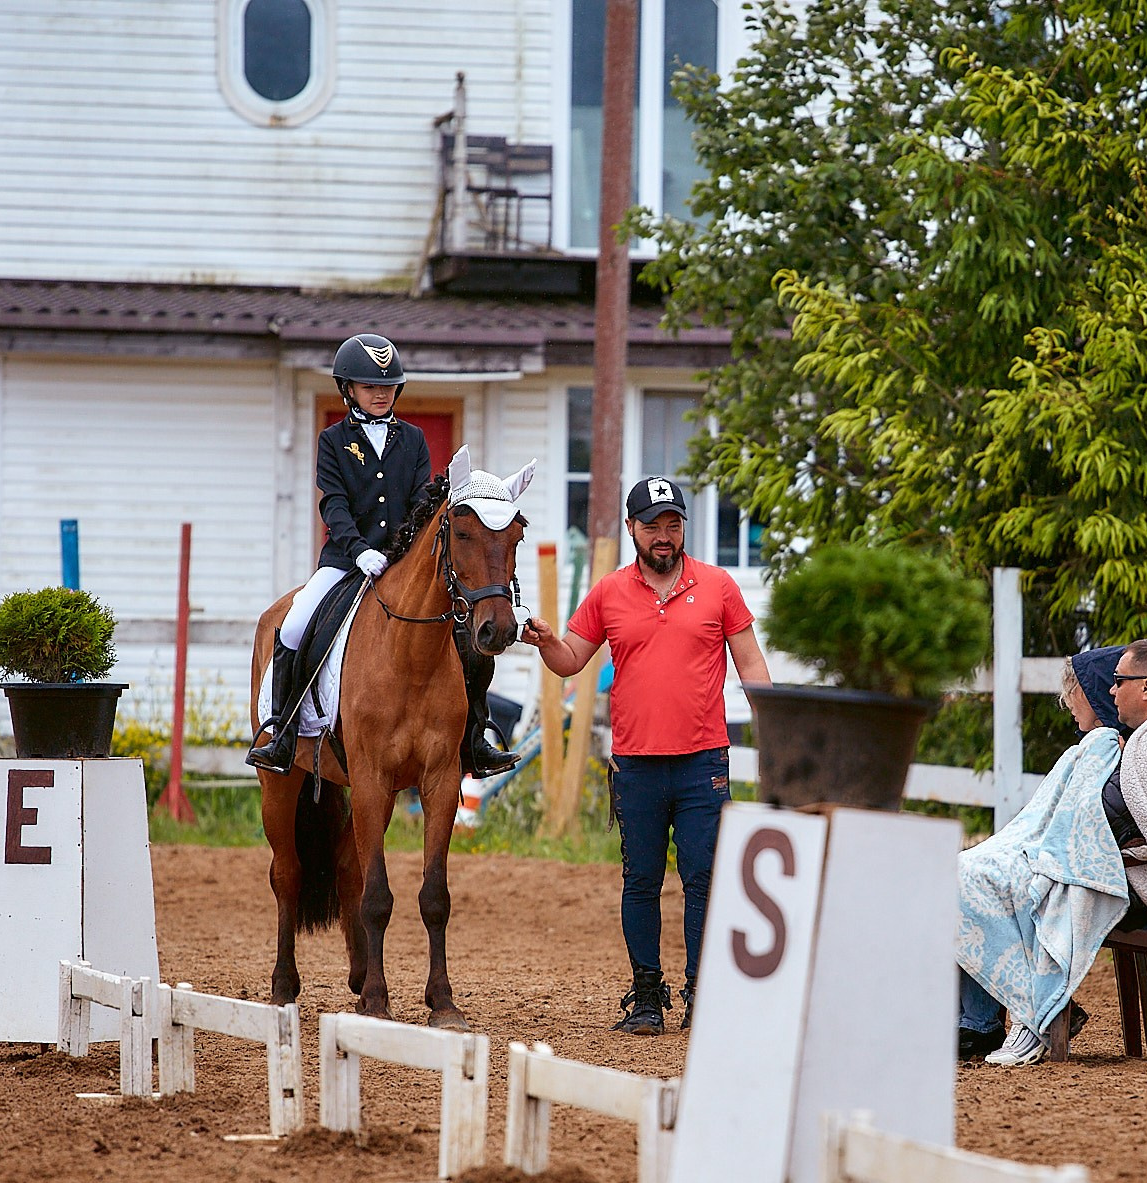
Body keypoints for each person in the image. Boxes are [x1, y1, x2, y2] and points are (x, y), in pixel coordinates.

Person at [520, 477, 772, 1036]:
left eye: (673, 524)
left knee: (705, 877)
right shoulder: (609, 592)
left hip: (703, 762)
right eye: (653, 525)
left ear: (684, 527)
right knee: (641, 881)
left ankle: (705, 991)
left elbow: (751, 664)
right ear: (632, 529)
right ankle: (647, 995)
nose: (664, 535)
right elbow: (570, 661)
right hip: (634, 765)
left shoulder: (718, 587)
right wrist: (543, 641)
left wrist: (773, 730)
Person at [957, 637, 1147, 1066]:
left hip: (1143, 888)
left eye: (1119, 682)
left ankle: (1030, 1015)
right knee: (977, 875)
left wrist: (1051, 852)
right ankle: (1015, 1013)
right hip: (1129, 874)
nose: (1112, 692)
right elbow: (1107, 819)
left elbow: (1115, 822)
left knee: (994, 881)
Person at [247, 333, 517, 779]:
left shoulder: (411, 440)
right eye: (370, 386)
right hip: (344, 560)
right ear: (347, 389)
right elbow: (332, 503)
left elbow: (418, 503)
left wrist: (401, 553)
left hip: (402, 564)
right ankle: (284, 732)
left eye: (388, 387)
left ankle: (474, 739)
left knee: (467, 638)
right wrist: (358, 551)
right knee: (294, 626)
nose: (380, 394)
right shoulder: (333, 440)